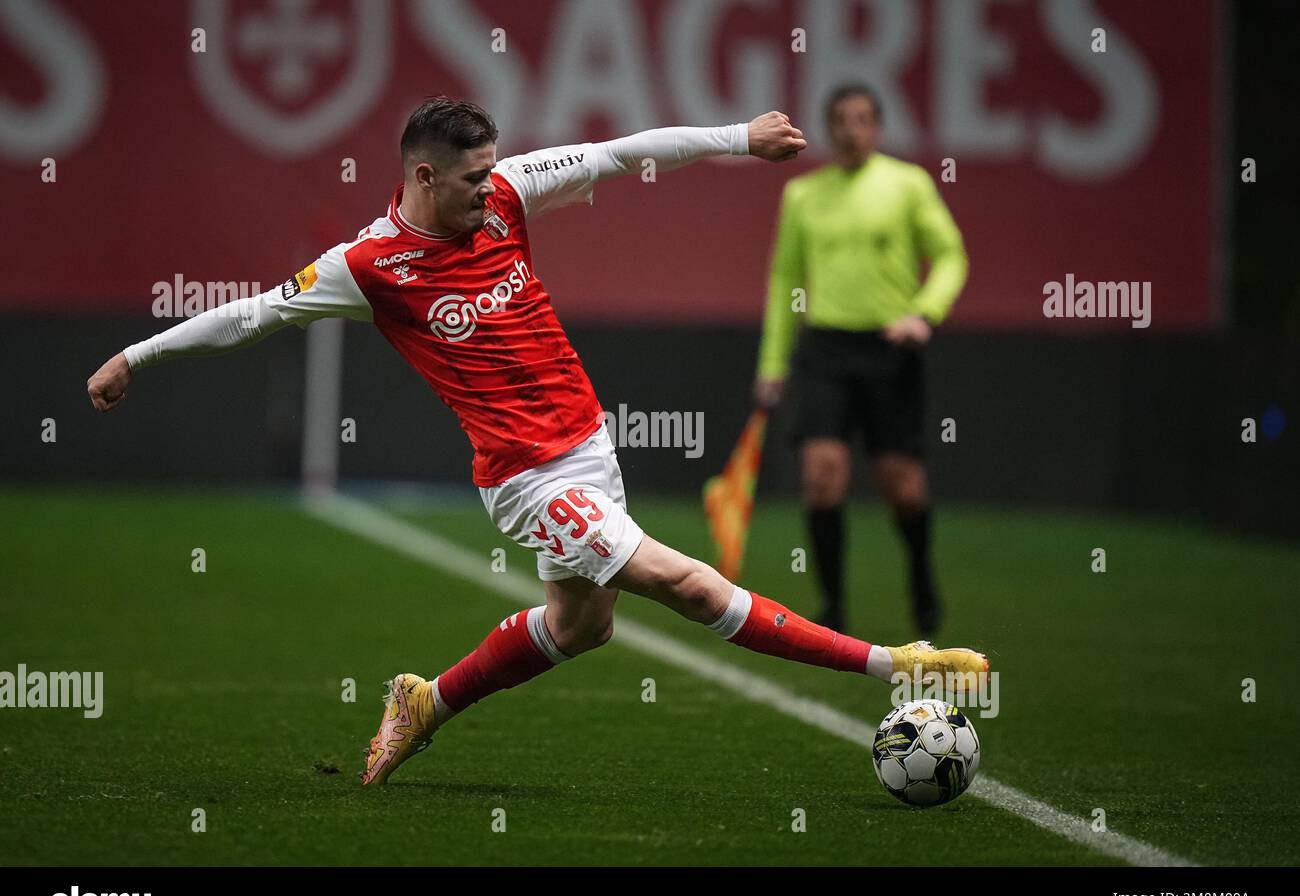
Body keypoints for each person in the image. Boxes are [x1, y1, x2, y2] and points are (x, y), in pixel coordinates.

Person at [87, 97, 986, 786]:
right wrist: (137, 353)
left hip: (590, 447)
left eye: (492, 171)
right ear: (424, 178)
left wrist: (738, 138)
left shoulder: (509, 192)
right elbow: (253, 316)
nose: (492, 185)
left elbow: (621, 152)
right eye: (472, 177)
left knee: (581, 626)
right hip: (524, 478)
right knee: (682, 581)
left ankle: (426, 700)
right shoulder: (370, 267)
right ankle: (894, 663)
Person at [753, 84, 968, 637]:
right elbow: (784, 281)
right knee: (822, 477)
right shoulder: (803, 194)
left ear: (878, 126)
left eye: (864, 119)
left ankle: (921, 578)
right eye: (842, 120)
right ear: (827, 129)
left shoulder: (908, 185)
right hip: (824, 349)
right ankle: (832, 609)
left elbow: (950, 256)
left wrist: (925, 312)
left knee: (904, 487)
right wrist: (773, 363)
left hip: (890, 349)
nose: (852, 129)